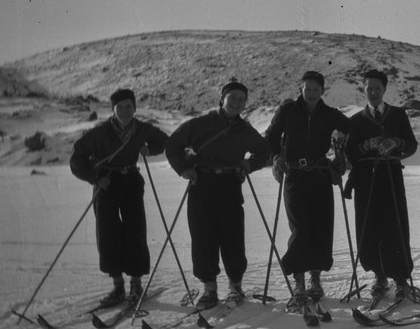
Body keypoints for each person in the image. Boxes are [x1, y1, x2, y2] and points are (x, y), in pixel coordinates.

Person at [165, 81, 272, 309]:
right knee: (203, 236)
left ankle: (235, 287)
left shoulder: (244, 130)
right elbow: (173, 145)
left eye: (241, 100)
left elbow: (264, 151)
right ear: (222, 99)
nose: (236, 103)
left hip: (229, 183)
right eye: (232, 98)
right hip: (201, 183)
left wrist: (249, 165)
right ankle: (209, 289)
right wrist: (184, 169)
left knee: (232, 236)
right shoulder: (201, 123)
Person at [70, 88, 169, 307]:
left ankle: (136, 284)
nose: (125, 111)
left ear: (134, 108)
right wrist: (95, 177)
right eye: (120, 107)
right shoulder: (99, 132)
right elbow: (77, 159)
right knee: (107, 232)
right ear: (113, 109)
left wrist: (148, 149)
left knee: (135, 230)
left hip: (131, 180)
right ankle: (117, 287)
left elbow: (164, 141)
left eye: (129, 106)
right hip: (106, 183)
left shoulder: (142, 129)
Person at [265, 71, 349, 307]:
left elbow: (350, 128)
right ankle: (299, 280)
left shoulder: (330, 114)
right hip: (295, 176)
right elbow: (270, 137)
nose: (311, 93)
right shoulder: (287, 111)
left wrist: (342, 144)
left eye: (316, 89)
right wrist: (275, 158)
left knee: (321, 227)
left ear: (322, 91)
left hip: (320, 175)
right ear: (300, 88)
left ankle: (315, 279)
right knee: (300, 228)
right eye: (307, 88)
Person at [343, 69, 419, 301]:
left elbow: (411, 145)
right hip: (365, 179)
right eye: (369, 88)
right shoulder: (355, 120)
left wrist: (396, 142)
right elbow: (350, 152)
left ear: (384, 90)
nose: (373, 92)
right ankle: (379, 276)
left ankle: (400, 278)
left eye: (377, 88)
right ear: (363, 89)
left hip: (391, 175)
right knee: (369, 227)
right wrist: (365, 147)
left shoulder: (397, 115)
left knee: (395, 225)